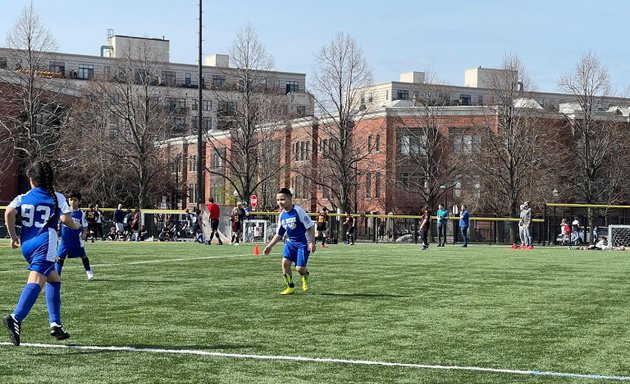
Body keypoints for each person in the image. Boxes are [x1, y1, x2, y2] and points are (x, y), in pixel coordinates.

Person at [3, 160, 82, 346]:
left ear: (31, 180)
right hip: (44, 244)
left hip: (27, 245)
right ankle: (16, 316)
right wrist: (77, 225)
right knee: (36, 281)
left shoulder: (23, 197)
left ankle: (56, 324)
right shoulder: (58, 197)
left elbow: (8, 212)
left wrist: (13, 236)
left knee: (54, 279)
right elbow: (66, 219)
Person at [263, 188, 316, 295]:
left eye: (282, 199)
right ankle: (290, 287)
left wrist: (312, 242)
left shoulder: (298, 211)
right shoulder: (282, 215)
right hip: (290, 243)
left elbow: (310, 226)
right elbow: (279, 233)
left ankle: (305, 275)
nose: (279, 202)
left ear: (290, 198)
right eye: (278, 200)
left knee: (299, 268)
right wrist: (269, 246)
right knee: (285, 263)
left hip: (303, 243)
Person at [55, 191, 94, 280]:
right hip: (65, 239)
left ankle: (88, 271)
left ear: (79, 202)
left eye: (75, 200)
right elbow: (60, 220)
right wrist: (58, 224)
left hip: (76, 239)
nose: (72, 202)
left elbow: (85, 225)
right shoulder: (64, 211)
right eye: (71, 200)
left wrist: (84, 233)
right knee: (61, 257)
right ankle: (57, 275)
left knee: (83, 255)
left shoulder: (81, 214)